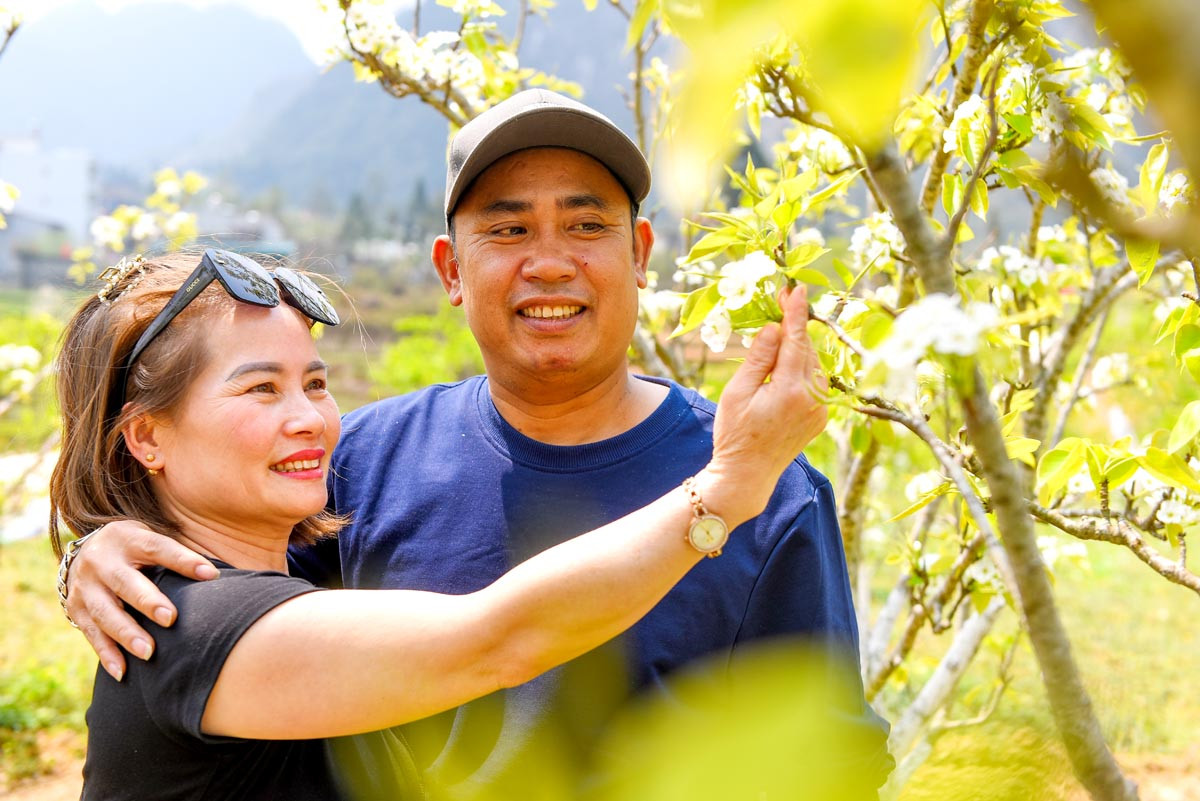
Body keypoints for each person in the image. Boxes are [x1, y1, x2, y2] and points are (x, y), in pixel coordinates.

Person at [63, 90, 893, 796]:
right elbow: (231, 619)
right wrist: (97, 556)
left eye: (585, 224)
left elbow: (824, 758)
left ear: (640, 255)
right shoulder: (358, 462)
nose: (550, 262)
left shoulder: (775, 490)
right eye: (506, 231)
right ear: (450, 269)